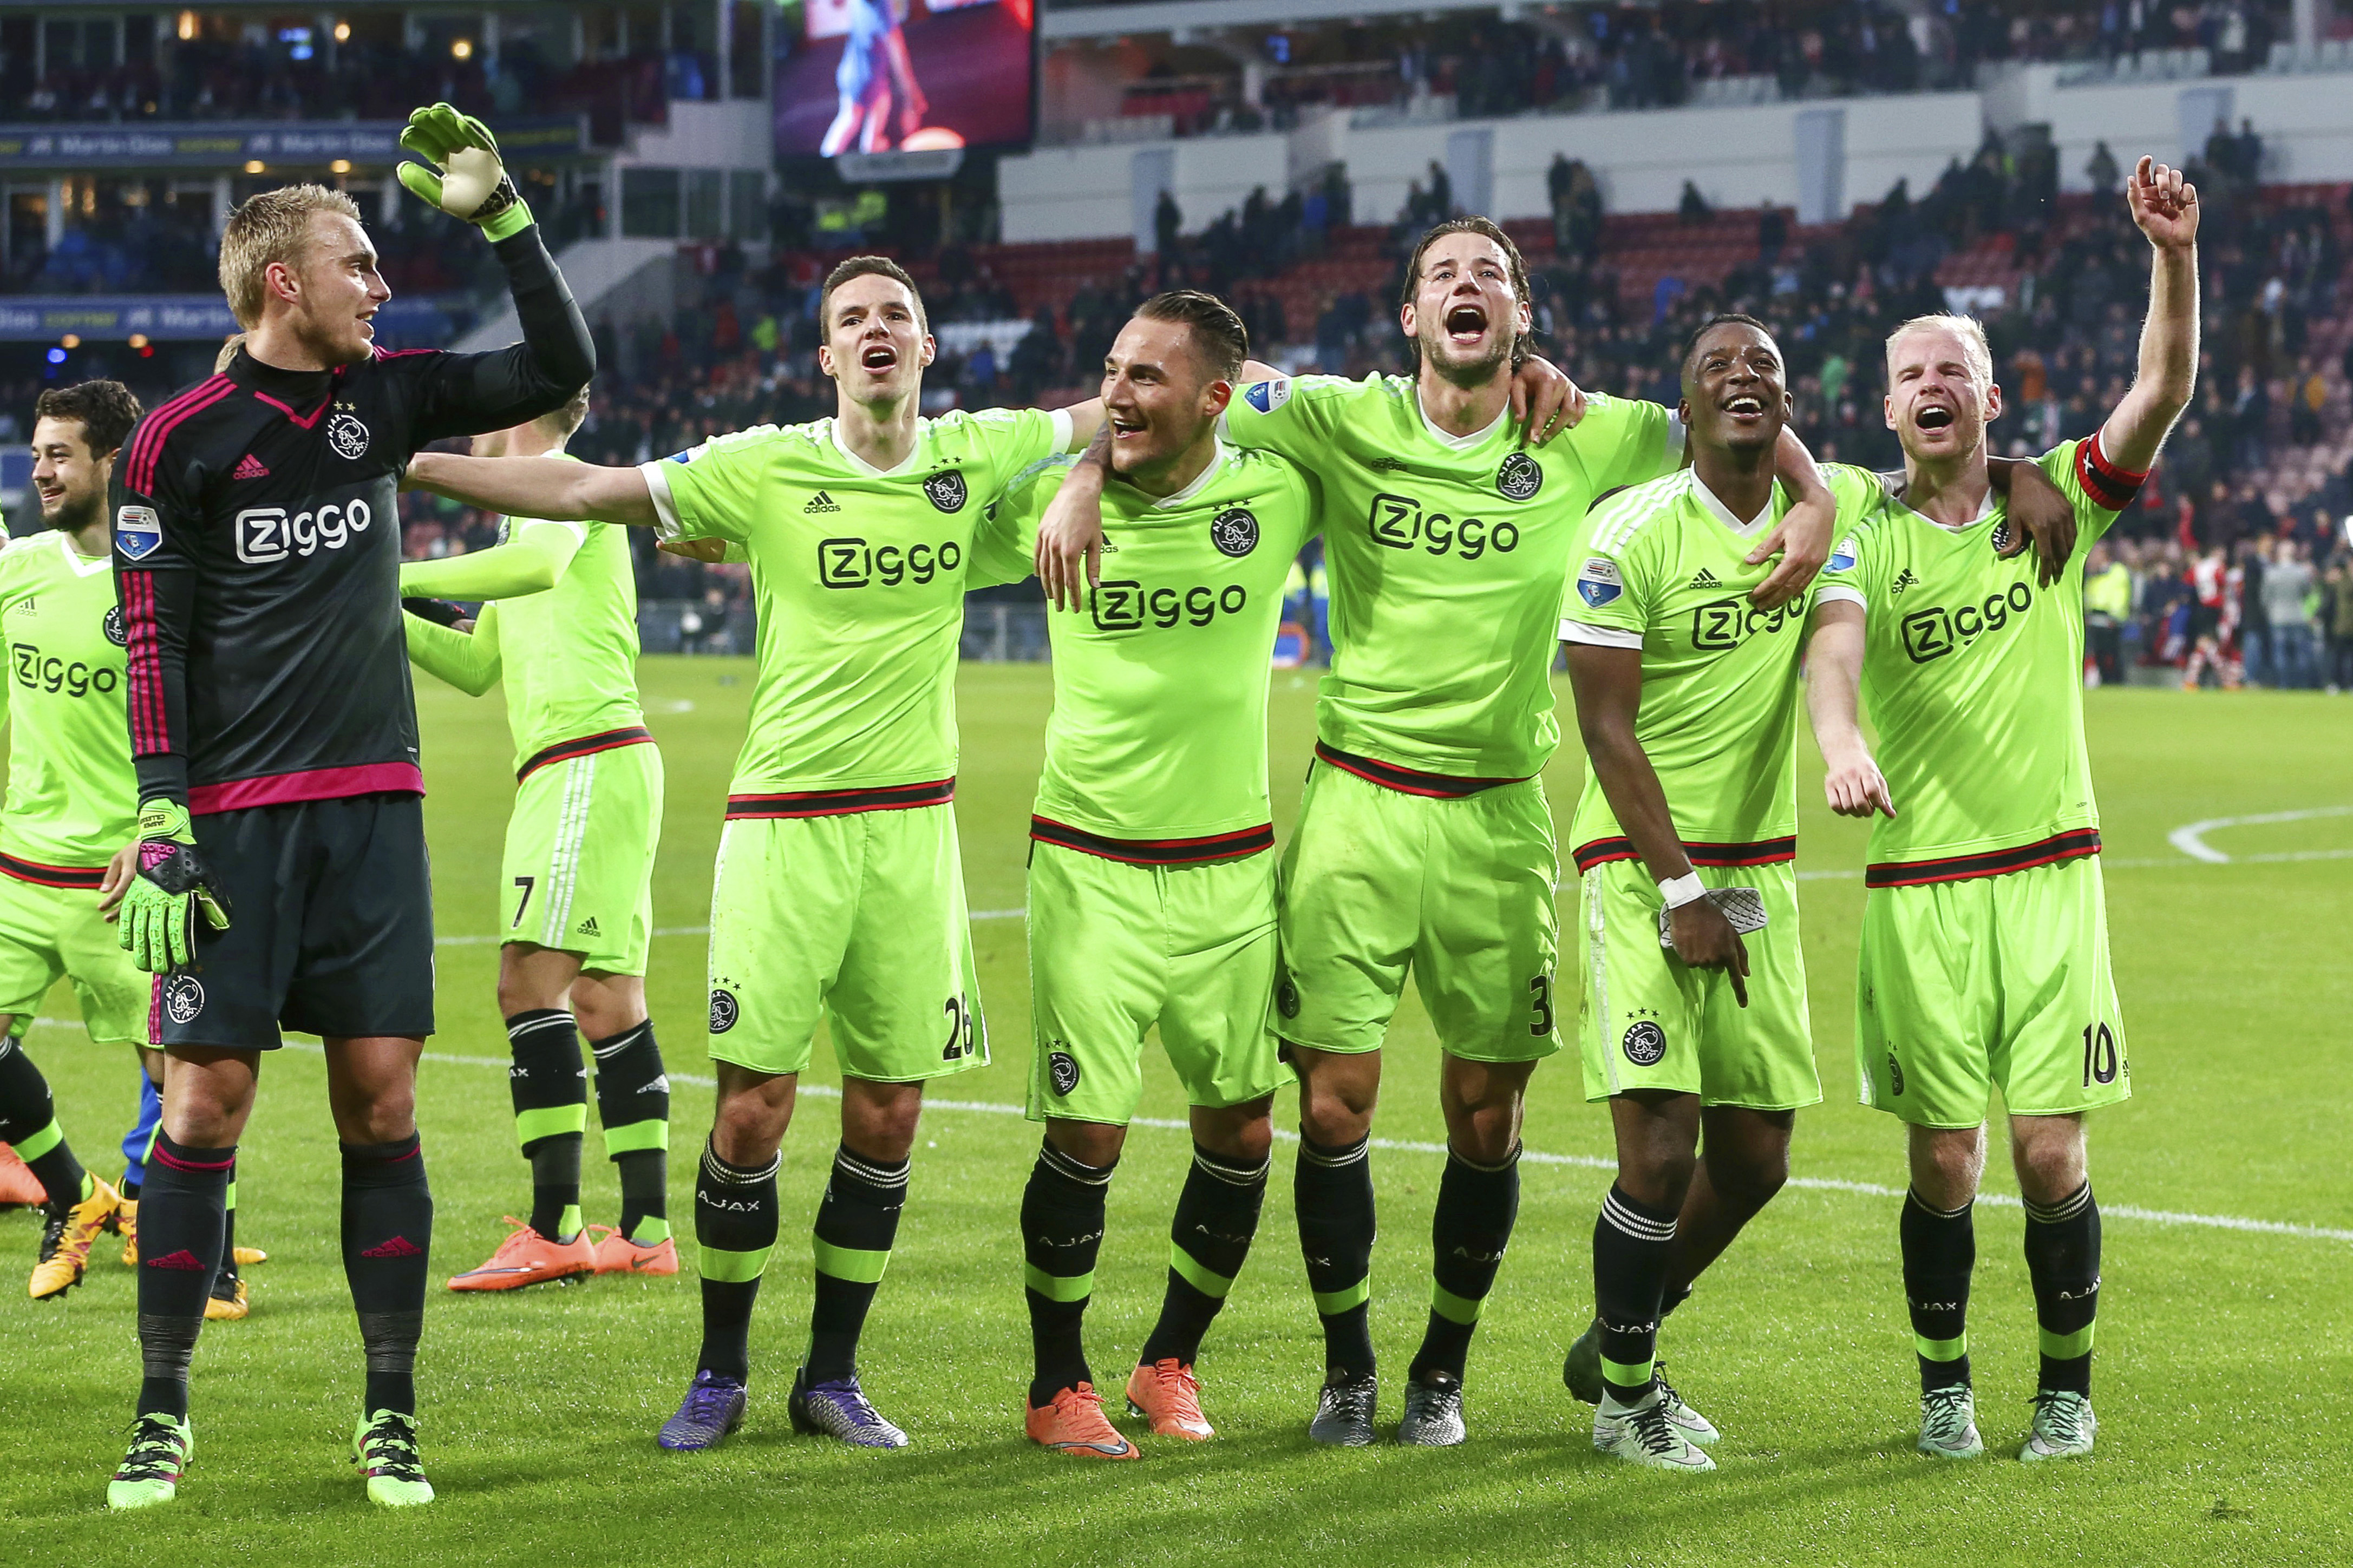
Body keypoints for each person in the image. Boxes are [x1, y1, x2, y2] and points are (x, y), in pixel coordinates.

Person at [1035, 215, 1826, 1448]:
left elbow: (1731, 411)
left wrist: (1815, 492)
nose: (1465, 288)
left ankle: (1437, 1374)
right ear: (1408, 317)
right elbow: (1160, 403)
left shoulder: (1586, 430)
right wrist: (1086, 472)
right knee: (1335, 1104)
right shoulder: (1337, 414)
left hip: (1497, 819)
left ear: (1521, 319)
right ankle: (1348, 1367)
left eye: (1489, 277)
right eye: (1440, 276)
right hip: (1356, 801)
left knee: (1482, 1115)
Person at [402, 254, 1101, 1456]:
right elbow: (576, 490)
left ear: (926, 350)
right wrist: (397, 451)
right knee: (755, 1109)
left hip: (912, 833)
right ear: (825, 357)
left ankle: (831, 1374)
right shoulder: (763, 463)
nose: (875, 330)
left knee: (888, 1113)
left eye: (897, 315)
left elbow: (1133, 402)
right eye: (851, 320)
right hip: (782, 829)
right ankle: (718, 1370)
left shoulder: (979, 448)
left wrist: (1089, 465)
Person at [101, 104, 595, 1511]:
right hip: (229, 829)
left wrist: (503, 213)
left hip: (375, 813)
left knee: (382, 1107)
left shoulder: (388, 403)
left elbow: (562, 364)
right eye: (360, 263)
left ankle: (390, 1414)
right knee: (204, 1107)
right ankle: (162, 1410)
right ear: (284, 285)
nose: (381, 284)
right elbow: (153, 640)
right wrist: (158, 810)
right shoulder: (176, 445)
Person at [1805, 155, 2198, 1464]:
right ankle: (1940, 1387)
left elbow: (2159, 392)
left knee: (2043, 1154)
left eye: (1946, 370)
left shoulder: (2053, 508)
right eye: (1902, 371)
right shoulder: (1861, 520)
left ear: (1986, 397)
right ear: (1882, 404)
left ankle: (2063, 1391)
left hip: (2045, 871)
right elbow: (1836, 642)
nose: (1925, 386)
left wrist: (2170, 255)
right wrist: (1840, 739)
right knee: (1941, 1167)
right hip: (1916, 883)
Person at [972, 292, 1316, 1459]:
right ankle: (1053, 1380)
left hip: (1228, 865)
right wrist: (1076, 465)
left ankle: (1169, 1357)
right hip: (1090, 859)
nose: (1117, 392)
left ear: (1216, 397)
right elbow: (934, 520)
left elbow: (1315, 396)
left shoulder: (1277, 488)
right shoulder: (1048, 500)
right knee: (1090, 1132)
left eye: (1148, 377)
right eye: (1110, 370)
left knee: (1241, 1129)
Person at [1557, 315, 1884, 1472]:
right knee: (1658, 1145)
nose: (1743, 380)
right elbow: (1603, 726)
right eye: (1717, 369)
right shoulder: (1628, 528)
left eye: (1765, 370)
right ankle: (1626, 1397)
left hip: (1762, 869)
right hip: (1641, 866)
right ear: (1680, 406)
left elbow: (1932, 468)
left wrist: (2018, 475)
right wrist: (1680, 886)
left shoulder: (1827, 506)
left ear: (1788, 405)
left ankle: (1616, 1338)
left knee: (1755, 1157)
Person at [397, 386, 677, 1290]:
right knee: (605, 1000)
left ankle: (556, 1225)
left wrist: (392, 575)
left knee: (528, 982)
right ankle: (645, 1226)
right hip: (589, 762)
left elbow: (535, 573)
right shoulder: (530, 521)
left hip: (584, 762)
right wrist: (373, 614)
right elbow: (480, 666)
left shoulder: (563, 489)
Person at [0, 382, 142, 1303]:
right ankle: (74, 1196)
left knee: (187, 1076)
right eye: (38, 454)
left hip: (119, 880)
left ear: (111, 464)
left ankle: (203, 1248)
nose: (43, 470)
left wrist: (161, 830)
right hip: (17, 869)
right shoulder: (17, 569)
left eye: (61, 455)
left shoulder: (159, 578)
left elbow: (214, 728)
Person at [821, 0, 929, 156]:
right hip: (867, 78)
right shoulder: (880, 8)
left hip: (852, 71)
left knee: (855, 116)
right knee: (855, 117)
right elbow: (897, 50)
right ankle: (868, 147)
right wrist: (912, 98)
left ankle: (870, 145)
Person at [2261, 537, 2316, 689]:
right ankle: (2301, 685)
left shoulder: (2271, 573)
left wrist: (2270, 612)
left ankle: (2284, 684)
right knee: (2301, 653)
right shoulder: (2302, 572)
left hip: (2278, 617)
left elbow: (2265, 598)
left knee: (2280, 654)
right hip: (2298, 617)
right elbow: (2308, 594)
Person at [2082, 540, 2133, 686]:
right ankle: (2103, 681)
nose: (2092, 558)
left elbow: (2121, 595)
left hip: (2111, 618)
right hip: (2094, 617)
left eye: (2096, 554)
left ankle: (2116, 682)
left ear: (2104, 555)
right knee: (2097, 653)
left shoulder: (2117, 571)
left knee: (2112, 653)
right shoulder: (2093, 573)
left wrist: (2115, 616)